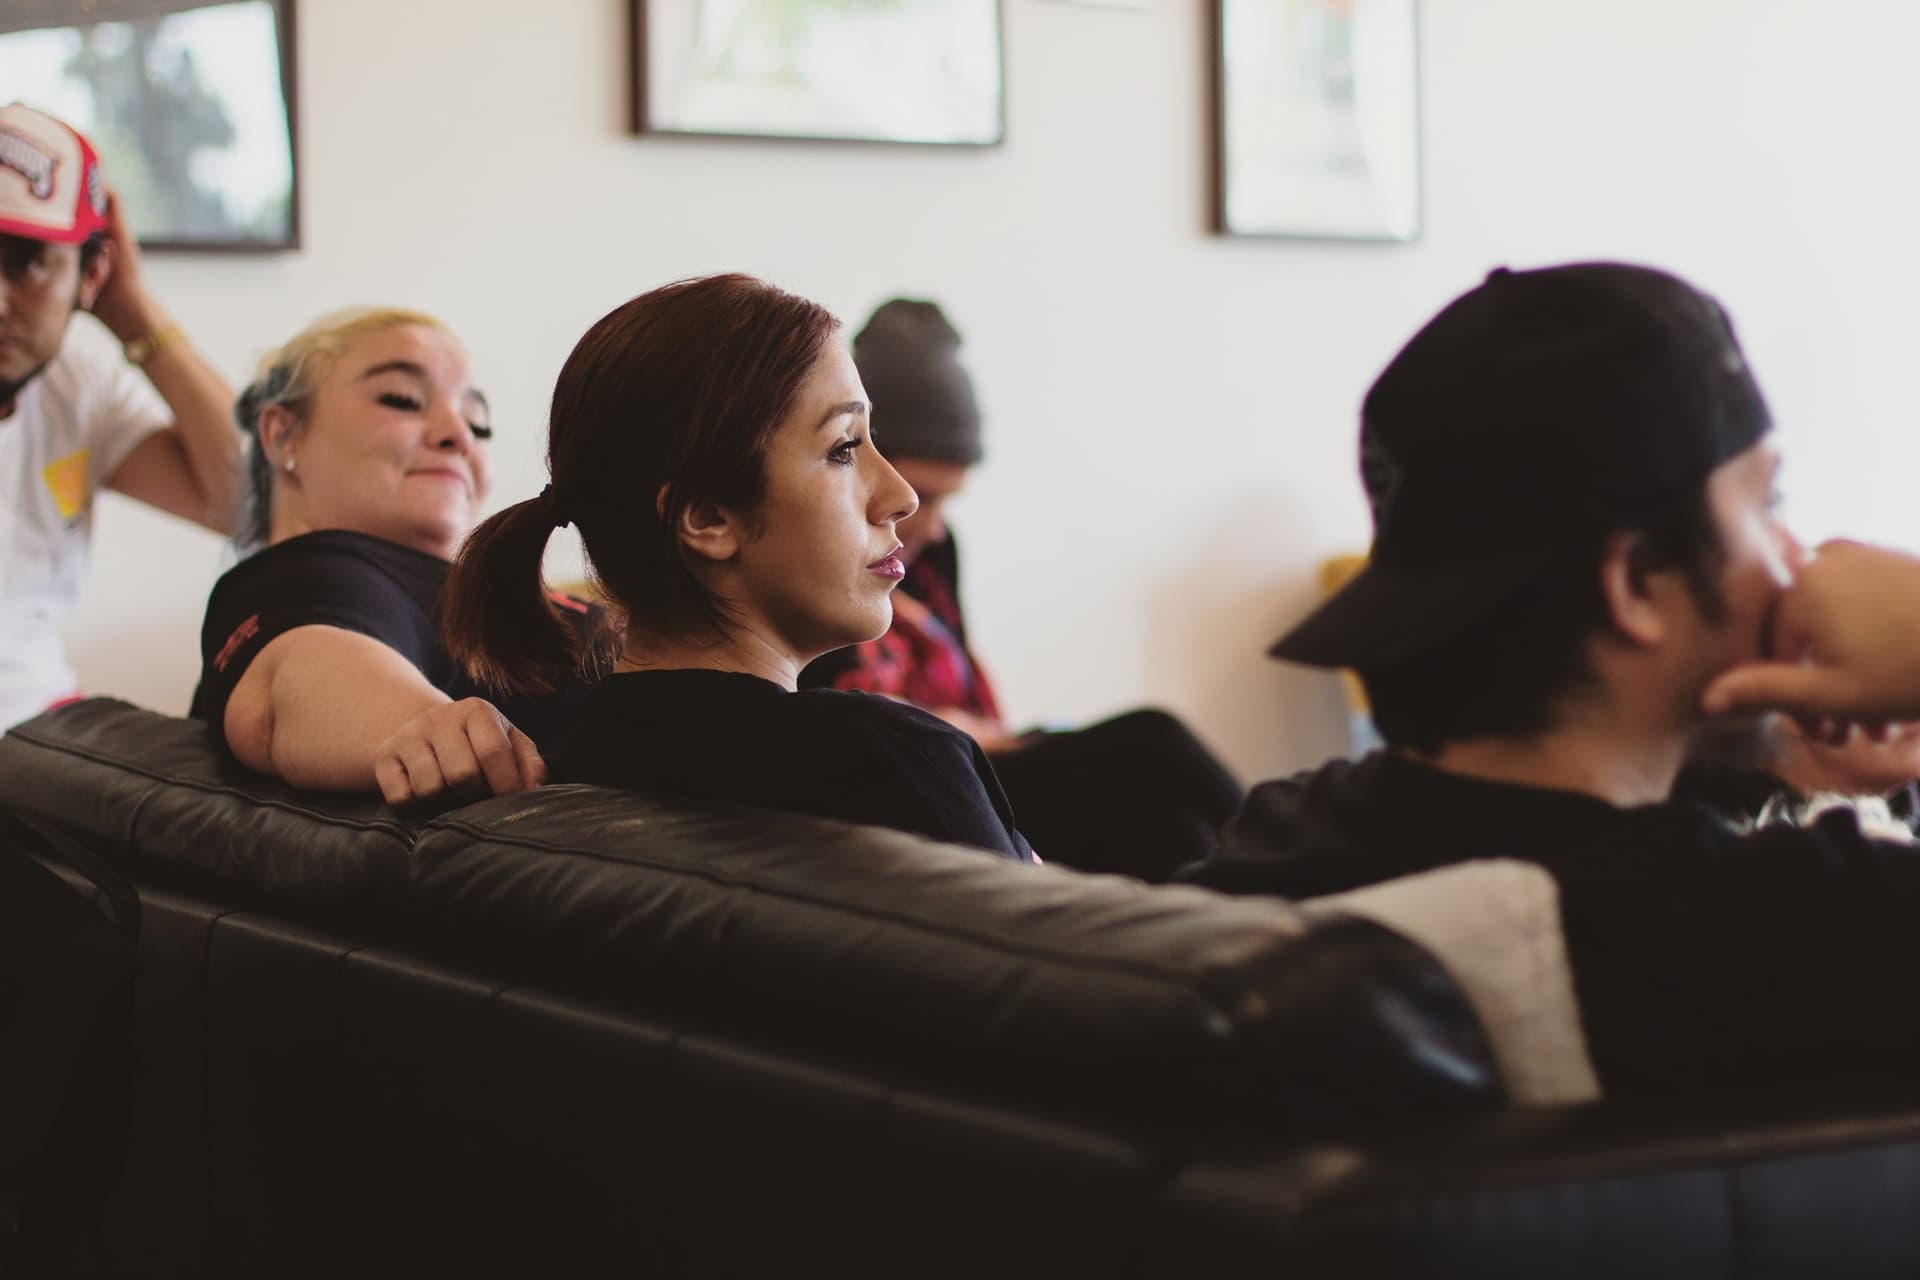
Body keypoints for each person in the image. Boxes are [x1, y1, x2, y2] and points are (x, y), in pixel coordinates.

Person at [1180, 261, 1920, 1099]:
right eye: (1766, 502)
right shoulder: (1755, 927)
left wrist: (1761, 751)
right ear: (1636, 581)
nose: (1800, 560)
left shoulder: (1278, 844)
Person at [442, 274, 1034, 862]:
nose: (900, 496)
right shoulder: (899, 765)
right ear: (707, 518)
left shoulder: (560, 774)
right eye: (844, 449)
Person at [799, 298, 1241, 881]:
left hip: (972, 756)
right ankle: (1328, 885)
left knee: (1171, 834)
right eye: (922, 495)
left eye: (945, 501)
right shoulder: (821, 560)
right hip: (916, 777)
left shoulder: (937, 553)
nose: (926, 522)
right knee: (1153, 740)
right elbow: (819, 715)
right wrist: (951, 728)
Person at [189, 308, 597, 806]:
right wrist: (429, 731)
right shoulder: (308, 575)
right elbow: (300, 675)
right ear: (282, 436)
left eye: (477, 422)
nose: (459, 434)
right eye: (402, 400)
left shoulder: (466, 590)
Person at [0, 103, 239, 730]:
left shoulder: (77, 382)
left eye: (26, 263)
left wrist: (135, 312)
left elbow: (245, 499)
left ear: (91, 274)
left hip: (41, 736)